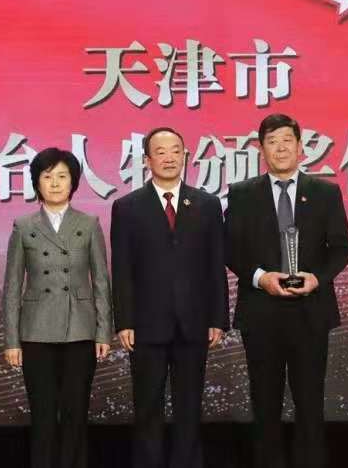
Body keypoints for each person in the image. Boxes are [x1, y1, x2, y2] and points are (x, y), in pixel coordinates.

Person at [224, 113, 348, 468]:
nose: (280, 148)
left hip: (310, 311)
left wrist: (317, 278)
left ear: (300, 147)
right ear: (261, 149)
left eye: (286, 140)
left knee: (310, 403)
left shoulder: (325, 192)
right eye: (271, 141)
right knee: (264, 403)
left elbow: (341, 247)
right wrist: (261, 277)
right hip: (260, 312)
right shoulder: (243, 194)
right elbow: (230, 249)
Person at [111, 127, 229, 468]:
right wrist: (125, 321)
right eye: (160, 152)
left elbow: (215, 264)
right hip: (146, 325)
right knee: (147, 408)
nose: (169, 157)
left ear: (185, 156)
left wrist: (217, 318)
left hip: (194, 323)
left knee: (189, 408)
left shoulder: (207, 205)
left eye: (175, 150)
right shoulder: (127, 207)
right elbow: (122, 268)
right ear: (147, 160)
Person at [2, 147, 113, 468]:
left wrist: (103, 332)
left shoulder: (89, 223)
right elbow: (12, 285)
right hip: (36, 331)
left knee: (76, 413)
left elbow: (101, 281)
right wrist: (11, 340)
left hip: (80, 329)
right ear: (37, 183)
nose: (54, 183)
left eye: (62, 176)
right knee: (43, 414)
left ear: (73, 182)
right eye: (47, 176)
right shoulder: (23, 225)